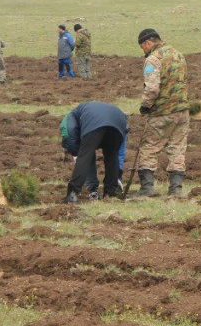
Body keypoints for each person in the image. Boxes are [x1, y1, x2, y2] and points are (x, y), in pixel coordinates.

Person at [137, 28, 190, 197]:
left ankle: (147, 188)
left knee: (149, 147)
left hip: (162, 111)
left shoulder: (154, 59)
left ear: (148, 43)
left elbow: (152, 88)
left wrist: (145, 105)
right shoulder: (179, 54)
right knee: (177, 148)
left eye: (142, 47)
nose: (143, 51)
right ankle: (176, 189)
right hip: (182, 110)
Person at [60, 101, 128, 203]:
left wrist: (76, 151)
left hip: (94, 122)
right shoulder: (86, 109)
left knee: (84, 156)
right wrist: (119, 173)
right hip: (119, 120)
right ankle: (111, 193)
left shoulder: (71, 116)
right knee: (112, 156)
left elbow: (69, 133)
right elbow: (120, 150)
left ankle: (72, 194)